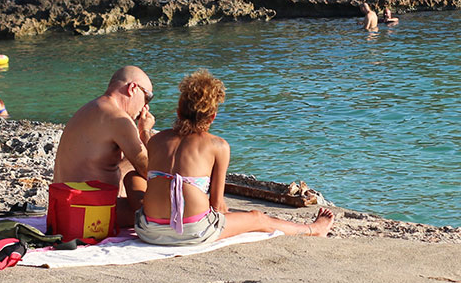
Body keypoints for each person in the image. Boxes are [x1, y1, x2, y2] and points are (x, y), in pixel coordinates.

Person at [136, 70, 334, 246]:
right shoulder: (218, 146)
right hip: (193, 231)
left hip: (149, 230)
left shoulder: (156, 141)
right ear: (212, 117)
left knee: (138, 181)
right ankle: (313, 230)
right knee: (258, 218)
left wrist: (144, 128)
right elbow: (217, 205)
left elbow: (150, 143)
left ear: (178, 112)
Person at [52, 66, 156, 225]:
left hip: (61, 208)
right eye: (147, 97)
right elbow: (149, 170)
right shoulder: (118, 118)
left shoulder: (91, 107)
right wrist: (145, 132)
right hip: (85, 214)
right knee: (159, 213)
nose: (145, 107)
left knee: (129, 163)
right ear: (132, 88)